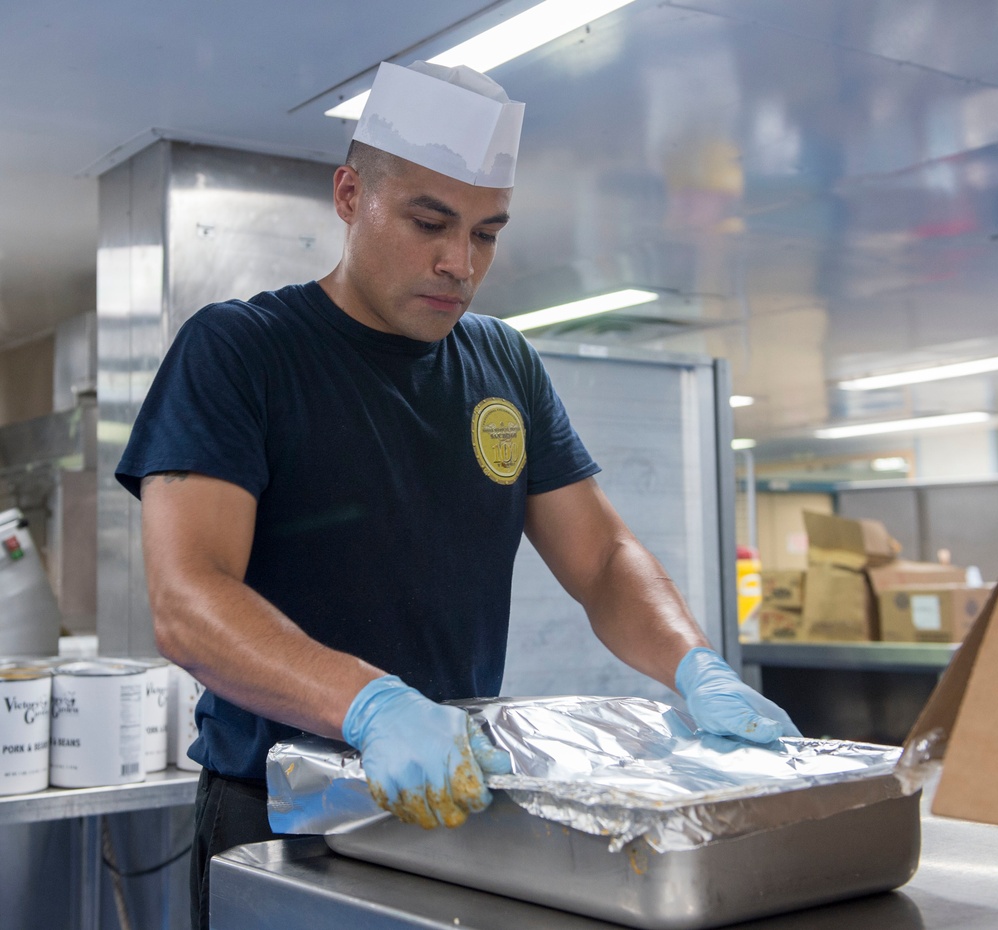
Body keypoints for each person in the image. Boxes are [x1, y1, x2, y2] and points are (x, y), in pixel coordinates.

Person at [115, 61, 799, 930]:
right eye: (429, 222)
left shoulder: (503, 361)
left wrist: (697, 669)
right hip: (280, 815)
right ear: (351, 193)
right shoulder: (243, 353)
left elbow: (602, 560)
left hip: (455, 805)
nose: (458, 262)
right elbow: (188, 599)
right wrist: (372, 704)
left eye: (486, 233)